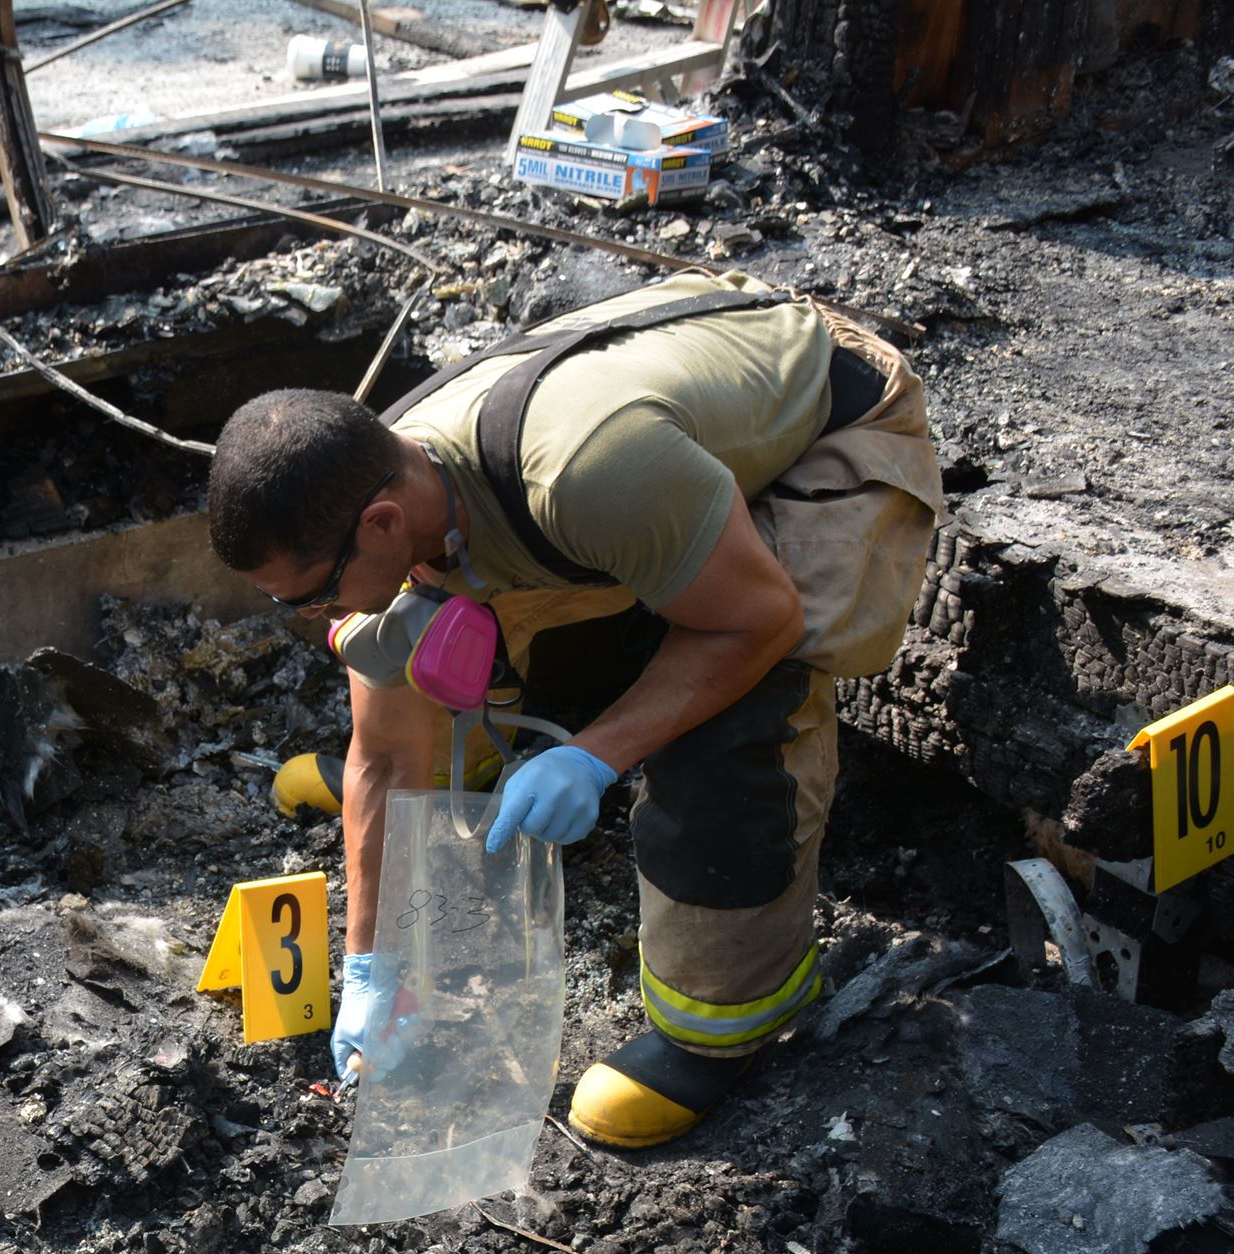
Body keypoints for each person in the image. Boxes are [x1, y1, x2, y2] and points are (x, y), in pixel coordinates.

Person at [208, 268, 944, 1149]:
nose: (315, 617)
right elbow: (384, 755)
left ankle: (721, 1022)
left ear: (381, 524)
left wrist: (595, 754)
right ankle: (490, 752)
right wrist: (371, 964)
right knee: (447, 627)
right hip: (657, 456)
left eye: (315, 594)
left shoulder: (586, 471)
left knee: (731, 711)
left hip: (829, 424)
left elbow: (760, 620)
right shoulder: (380, 475)